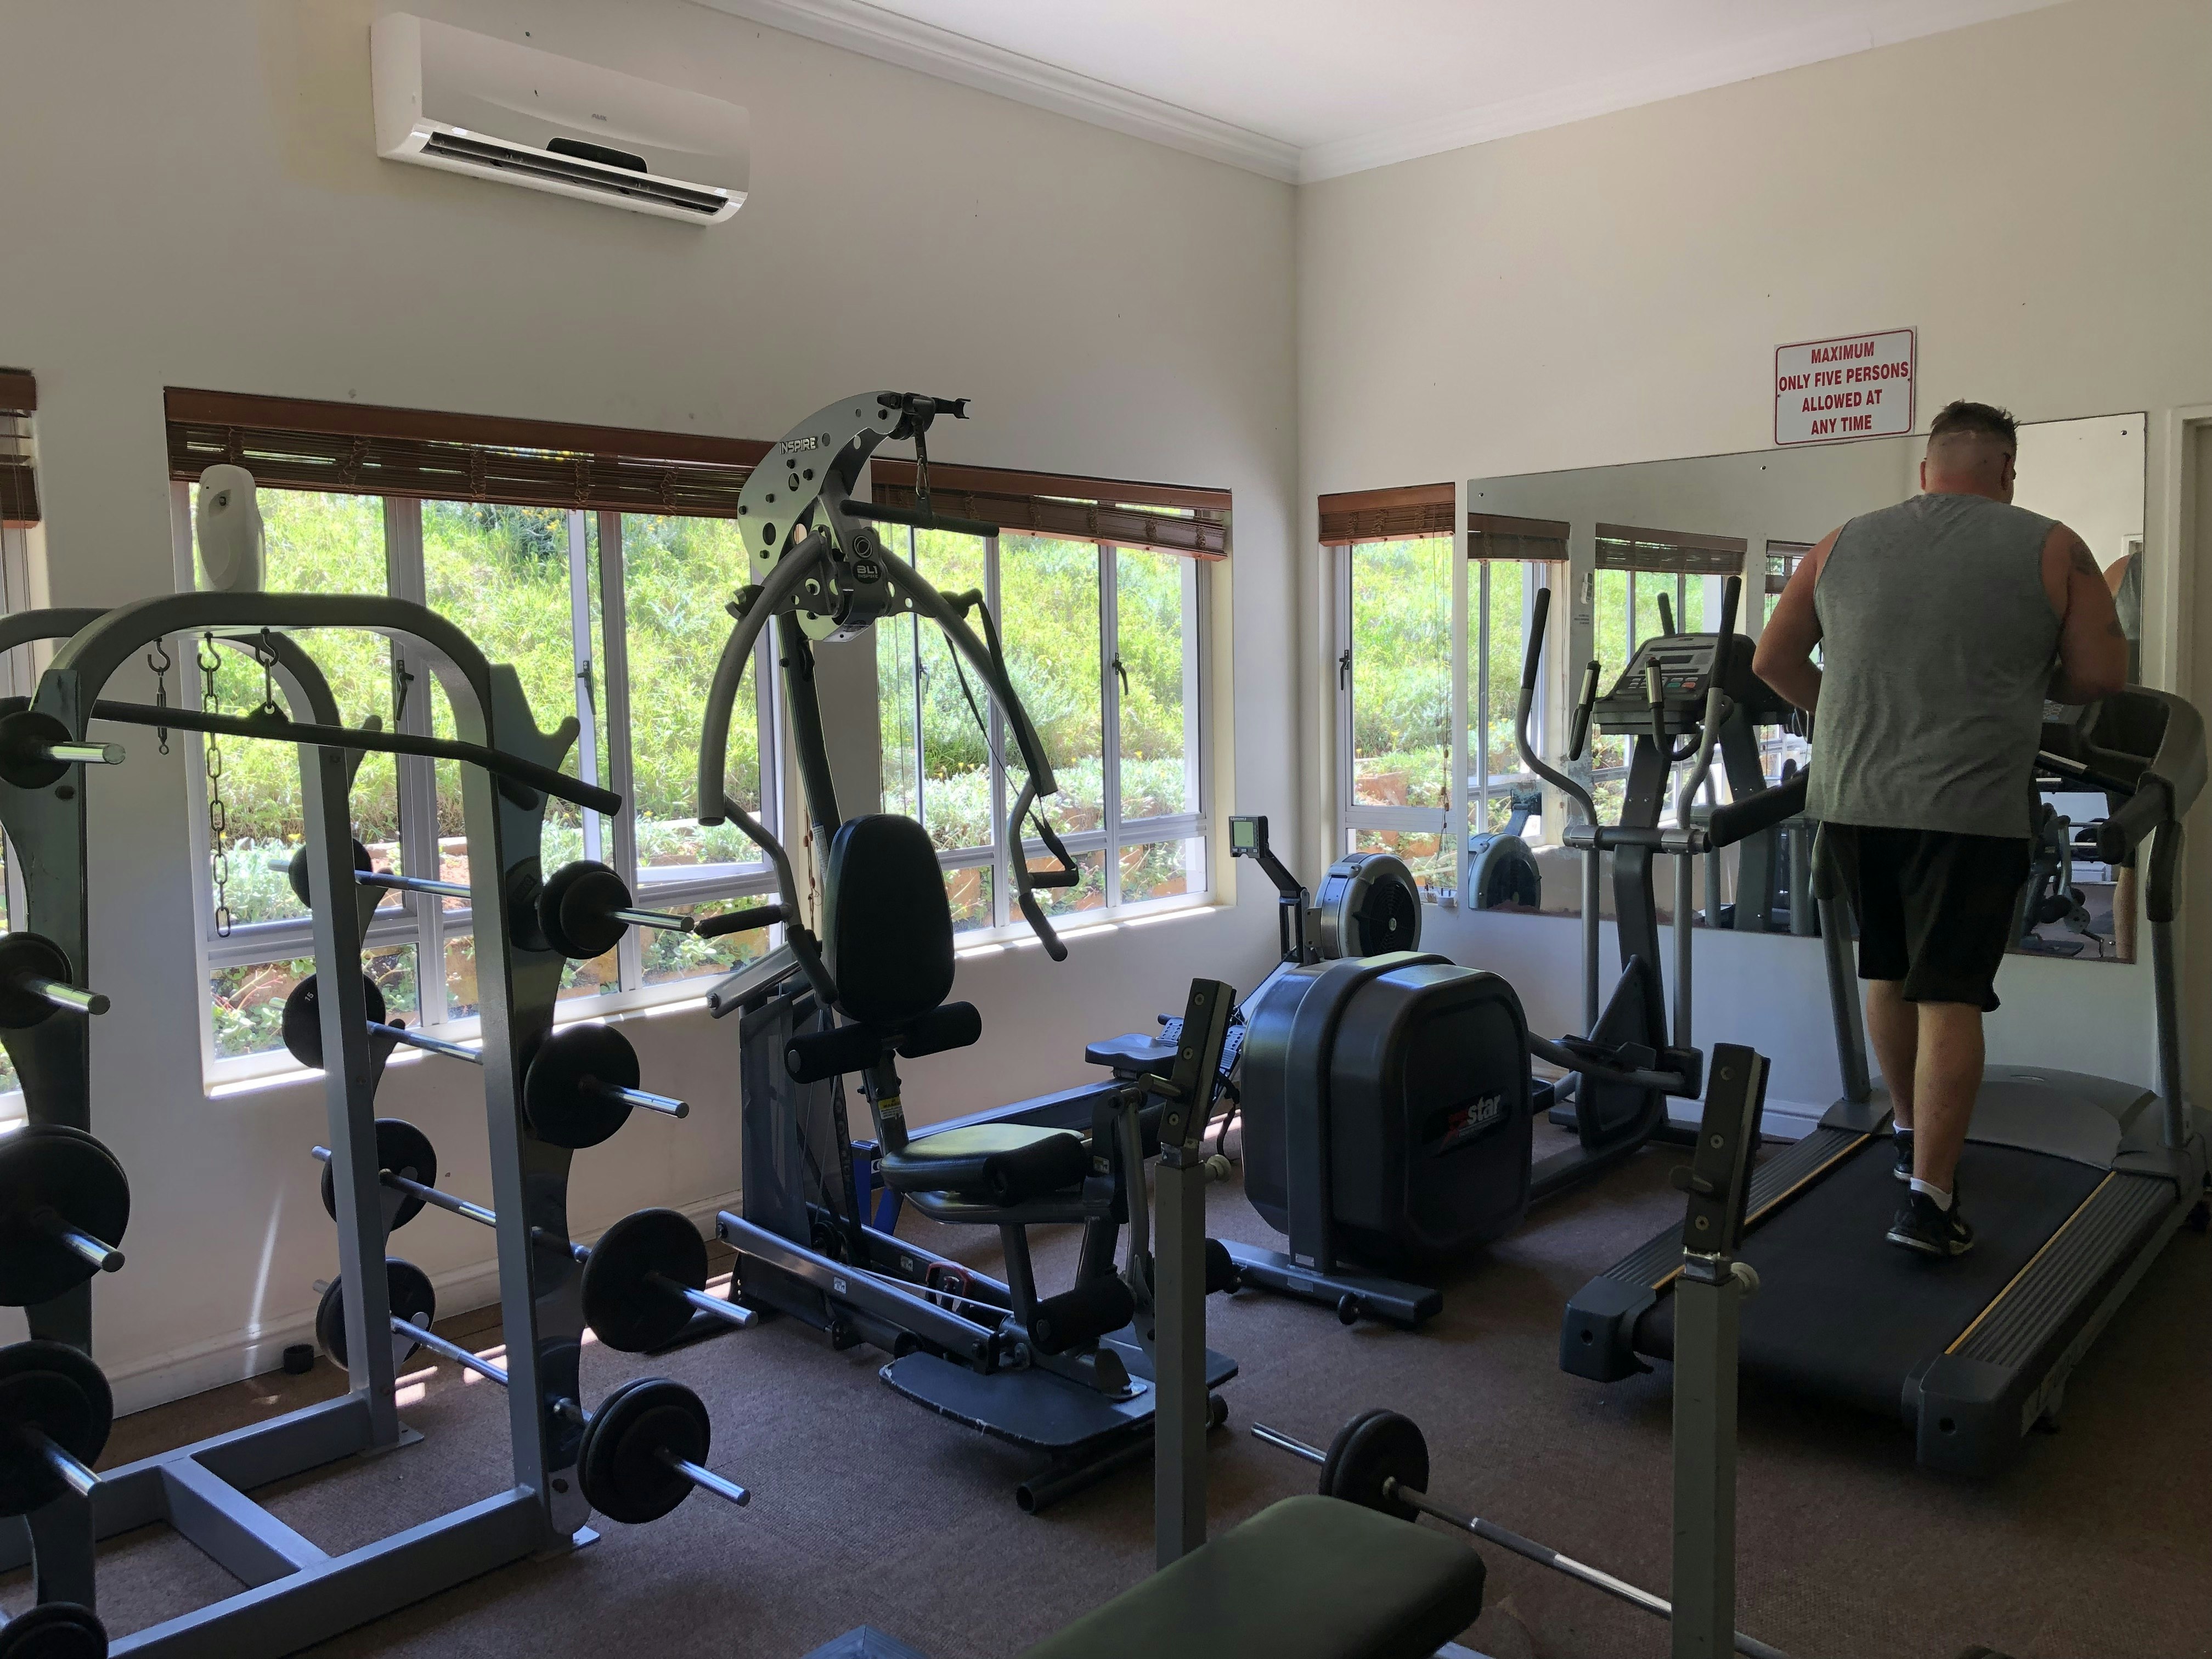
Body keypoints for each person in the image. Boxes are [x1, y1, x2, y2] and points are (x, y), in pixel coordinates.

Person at [1753, 400, 2128, 1256]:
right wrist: (2021, 679)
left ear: (1926, 471)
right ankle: (1929, 1202)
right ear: (2007, 472)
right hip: (1967, 808)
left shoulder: (1838, 543)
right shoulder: (2054, 546)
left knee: (1887, 971)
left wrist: (1844, 715)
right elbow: (2102, 675)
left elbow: (1772, 660)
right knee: (1951, 993)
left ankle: (1908, 1138)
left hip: (1853, 797)